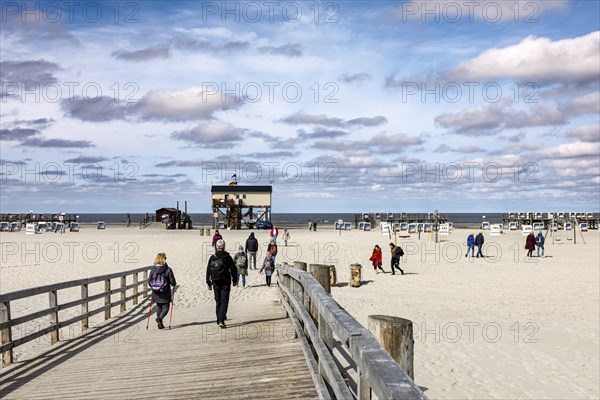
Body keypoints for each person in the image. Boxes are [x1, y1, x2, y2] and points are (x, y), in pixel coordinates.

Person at [206, 239, 238, 328]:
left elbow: (208, 271)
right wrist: (235, 280)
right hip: (225, 281)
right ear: (224, 247)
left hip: (215, 281)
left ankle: (218, 319)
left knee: (218, 302)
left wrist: (208, 283)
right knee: (224, 301)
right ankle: (221, 320)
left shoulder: (212, 257)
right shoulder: (227, 257)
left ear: (216, 247)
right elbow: (233, 269)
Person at [148, 252, 177, 330]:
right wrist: (173, 284)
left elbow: (149, 282)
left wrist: (155, 287)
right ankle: (160, 319)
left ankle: (160, 324)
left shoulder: (153, 269)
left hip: (156, 292)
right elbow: (173, 282)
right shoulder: (168, 269)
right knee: (166, 307)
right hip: (165, 291)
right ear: (164, 259)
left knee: (159, 307)